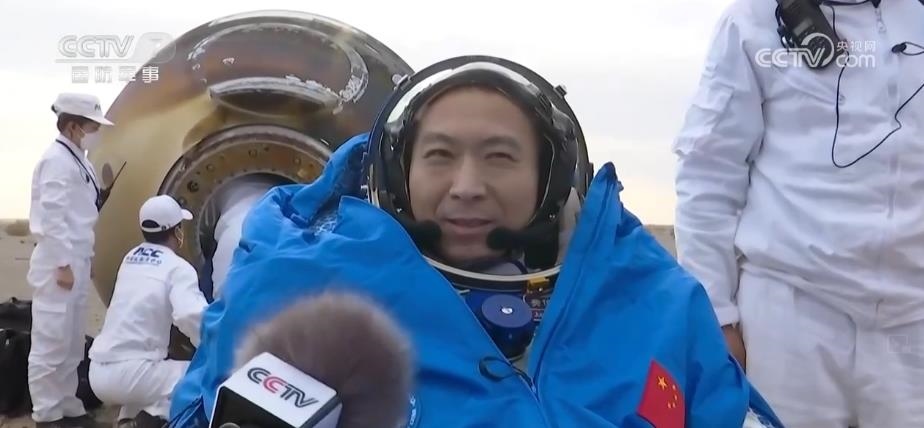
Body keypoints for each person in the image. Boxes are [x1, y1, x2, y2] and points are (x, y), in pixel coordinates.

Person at [169, 56, 783, 428]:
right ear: (398, 173)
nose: (466, 187)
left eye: (500, 157)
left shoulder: (656, 302)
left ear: (549, 178)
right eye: (439, 156)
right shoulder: (298, 290)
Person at [672, 0, 924, 427]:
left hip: (912, 325)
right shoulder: (750, 21)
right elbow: (707, 173)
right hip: (790, 317)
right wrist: (715, 320)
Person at [27, 93, 113, 428]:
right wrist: (63, 264)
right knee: (51, 341)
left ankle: (67, 405)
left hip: (77, 257)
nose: (96, 132)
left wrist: (82, 260)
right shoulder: (56, 161)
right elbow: (52, 217)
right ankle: (47, 413)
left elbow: (80, 211)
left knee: (72, 341)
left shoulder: (78, 159)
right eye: (93, 126)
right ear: (74, 126)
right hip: (57, 262)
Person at [88, 194, 208, 427]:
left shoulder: (130, 258)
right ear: (177, 231)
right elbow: (190, 315)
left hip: (99, 372)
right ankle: (148, 422)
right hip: (131, 373)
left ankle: (127, 420)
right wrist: (215, 344)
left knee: (154, 378)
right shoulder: (178, 268)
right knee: (199, 378)